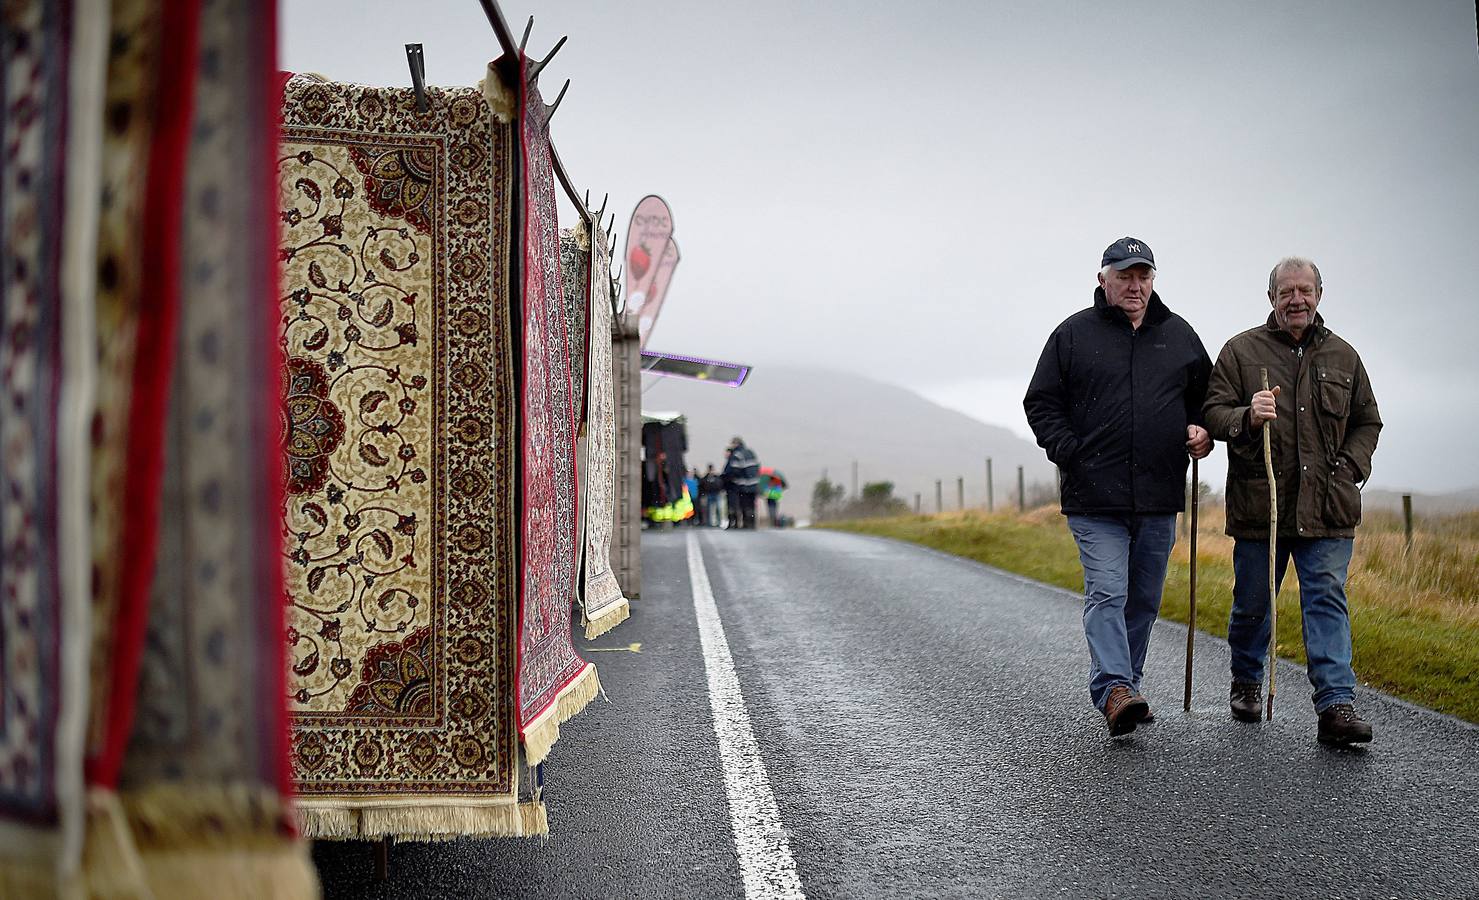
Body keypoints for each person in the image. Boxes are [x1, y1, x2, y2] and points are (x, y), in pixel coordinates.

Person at [1024, 237, 1213, 735]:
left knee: (1144, 598)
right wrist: (1070, 450)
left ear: (1153, 280)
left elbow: (1206, 400)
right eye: (1125, 275)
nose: (1135, 285)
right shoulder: (1072, 335)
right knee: (1108, 591)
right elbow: (1040, 402)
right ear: (1102, 278)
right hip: (1094, 496)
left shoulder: (1180, 336)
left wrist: (1201, 430)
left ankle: (1127, 683)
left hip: (1158, 494)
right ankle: (1113, 689)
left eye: (1143, 276)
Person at [1202, 257, 1381, 746]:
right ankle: (1246, 679)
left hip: (1328, 508)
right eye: (1286, 291)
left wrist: (1348, 469)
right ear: (1272, 298)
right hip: (1262, 508)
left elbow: (1368, 421)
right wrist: (1245, 415)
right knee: (1254, 604)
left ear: (1319, 295)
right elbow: (1213, 413)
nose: (1296, 299)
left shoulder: (1344, 356)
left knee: (1325, 599)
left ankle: (1335, 707)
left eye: (1304, 290)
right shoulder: (1241, 353)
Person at [723, 436, 760, 530]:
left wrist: (728, 479)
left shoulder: (737, 454)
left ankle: (746, 523)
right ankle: (752, 523)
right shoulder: (750, 452)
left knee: (744, 505)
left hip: (743, 484)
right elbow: (756, 467)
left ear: (736, 444)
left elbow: (735, 470)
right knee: (751, 505)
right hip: (754, 484)